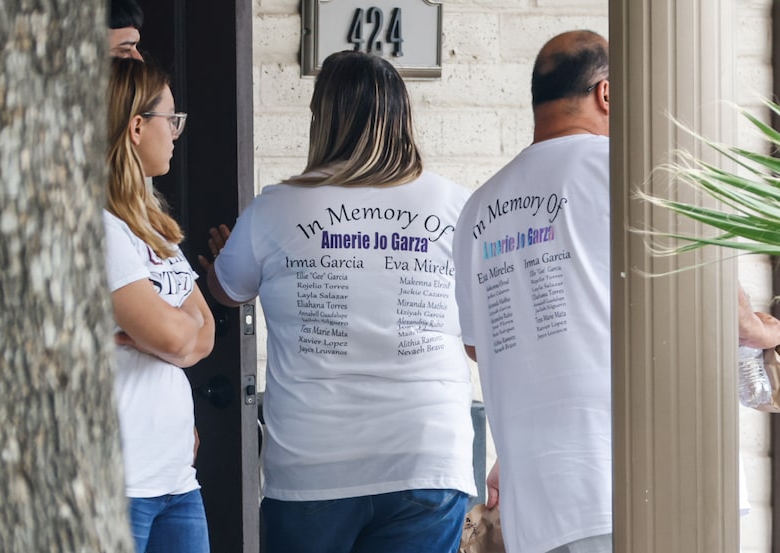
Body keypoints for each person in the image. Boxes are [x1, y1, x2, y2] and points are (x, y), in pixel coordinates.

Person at [201, 50, 477, 553]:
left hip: (313, 463)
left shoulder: (275, 209)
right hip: (426, 453)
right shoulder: (457, 206)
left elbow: (228, 289)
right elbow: (479, 333)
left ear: (322, 119)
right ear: (402, 116)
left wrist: (227, 259)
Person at [453, 31, 612, 553]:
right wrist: (758, 328)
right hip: (622, 480)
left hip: (532, 499)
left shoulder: (479, 208)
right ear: (606, 93)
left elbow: (479, 345)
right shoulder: (619, 170)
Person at [104, 57, 214, 553]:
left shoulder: (154, 226)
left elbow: (203, 331)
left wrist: (163, 333)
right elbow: (178, 335)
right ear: (135, 126)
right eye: (171, 119)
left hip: (175, 480)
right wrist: (172, 333)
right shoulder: (97, 228)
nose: (175, 132)